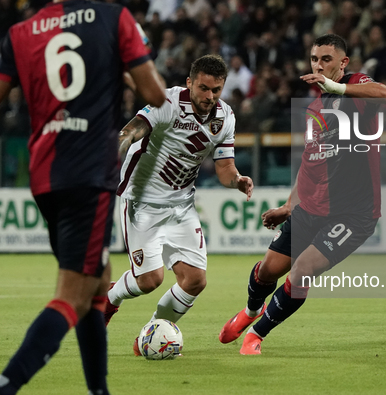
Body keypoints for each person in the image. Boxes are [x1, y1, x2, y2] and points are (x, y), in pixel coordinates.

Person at [0, 0, 166, 394]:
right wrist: (127, 65)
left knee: (98, 281)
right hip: (89, 174)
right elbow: (155, 95)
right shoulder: (114, 18)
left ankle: (98, 390)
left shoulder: (20, 33)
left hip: (43, 175)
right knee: (71, 294)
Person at [218, 34, 386, 355]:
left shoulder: (355, 86)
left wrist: (338, 86)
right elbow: (312, 161)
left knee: (302, 270)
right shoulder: (315, 106)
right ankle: (251, 311)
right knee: (267, 270)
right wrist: (288, 205)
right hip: (312, 208)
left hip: (354, 214)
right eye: (314, 59)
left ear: (343, 62)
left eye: (326, 59)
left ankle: (256, 335)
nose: (319, 65)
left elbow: (385, 94)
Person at [104, 54, 253, 356]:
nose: (210, 96)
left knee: (195, 280)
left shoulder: (225, 118)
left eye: (217, 90)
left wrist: (236, 180)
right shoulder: (167, 103)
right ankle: (108, 299)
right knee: (150, 280)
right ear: (189, 83)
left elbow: (224, 167)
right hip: (142, 201)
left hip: (181, 205)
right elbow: (133, 130)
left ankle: (152, 335)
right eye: (203, 88)